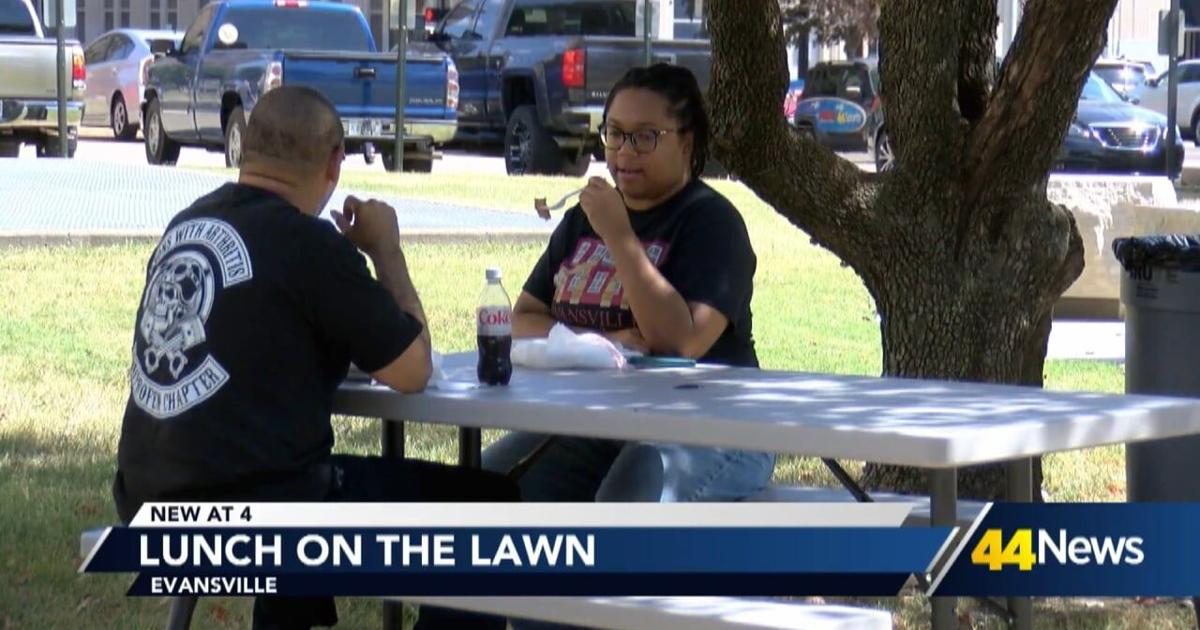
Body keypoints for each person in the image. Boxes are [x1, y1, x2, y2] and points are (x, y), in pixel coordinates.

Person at [112, 86, 517, 630]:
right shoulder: (309, 243)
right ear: (334, 163)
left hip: (145, 498)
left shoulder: (185, 225)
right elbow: (412, 369)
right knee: (487, 514)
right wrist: (385, 251)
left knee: (290, 472)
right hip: (258, 510)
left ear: (247, 146)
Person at [482, 64, 775, 504]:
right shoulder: (583, 219)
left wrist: (620, 238)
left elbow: (679, 344)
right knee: (478, 490)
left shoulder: (712, 223)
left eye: (644, 137)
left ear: (687, 142)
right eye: (615, 133)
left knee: (626, 499)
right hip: (604, 423)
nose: (623, 151)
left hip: (717, 426)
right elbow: (522, 319)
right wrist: (605, 341)